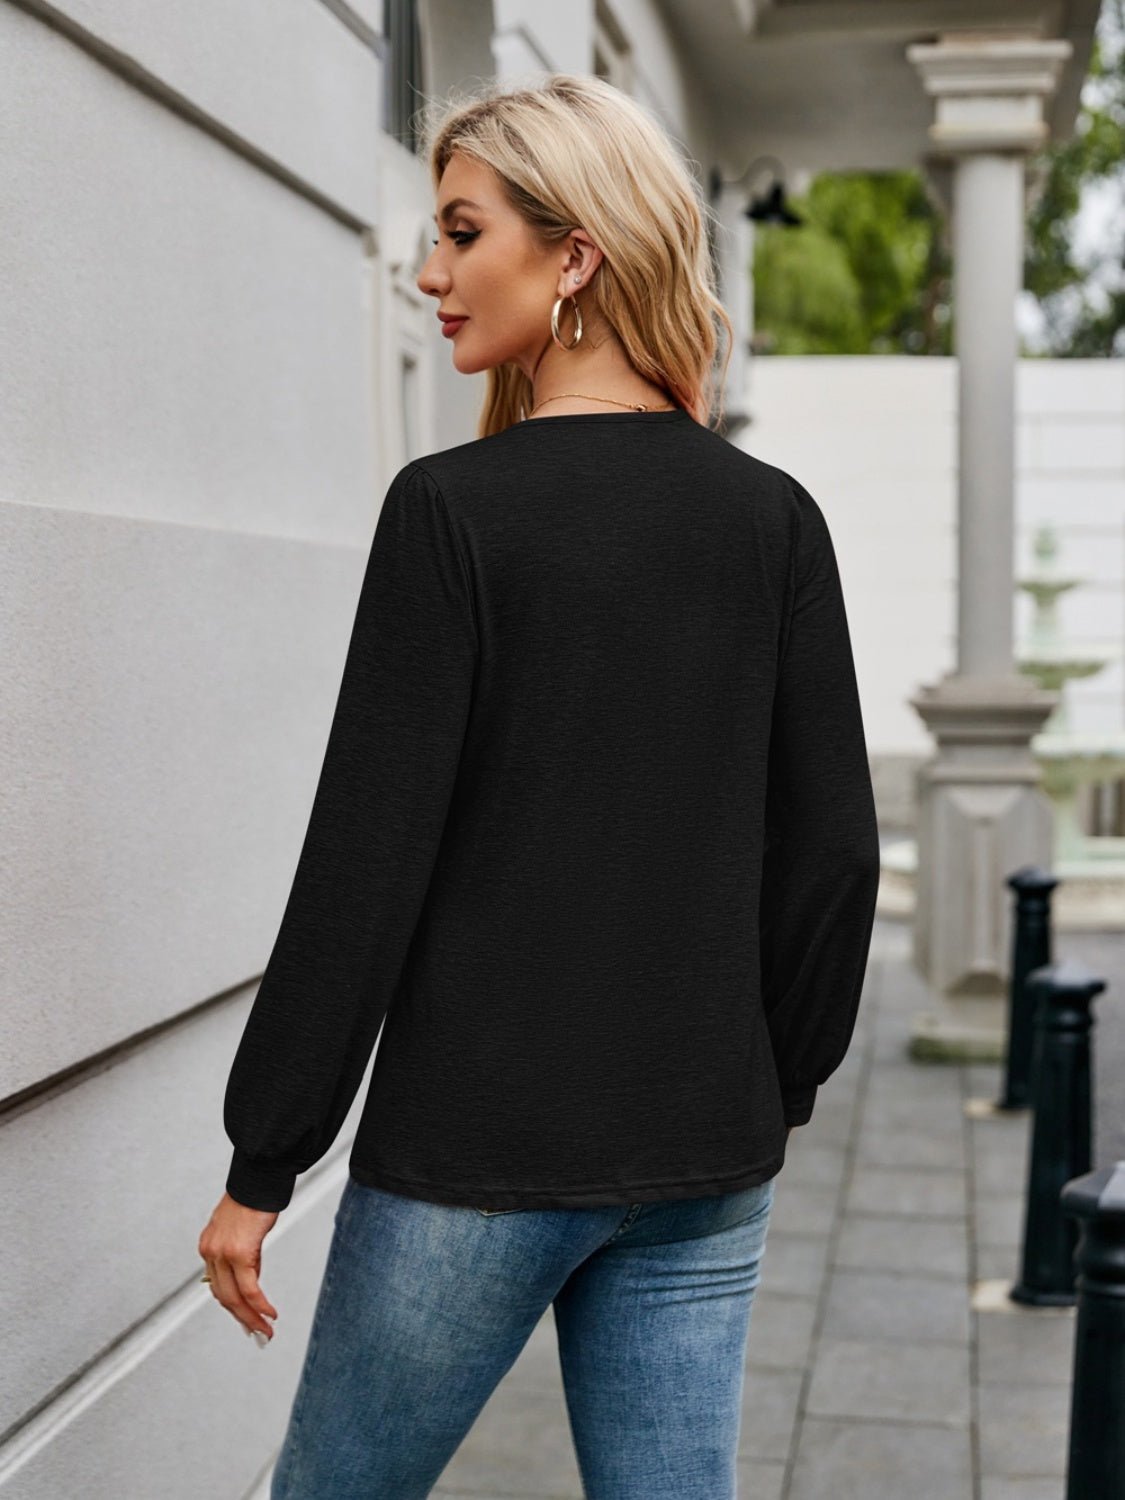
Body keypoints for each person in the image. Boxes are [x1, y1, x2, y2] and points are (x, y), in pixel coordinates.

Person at [197, 72, 881, 1500]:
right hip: (706, 1155)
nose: (428, 274)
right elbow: (831, 854)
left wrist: (266, 1158)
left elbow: (364, 864)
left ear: (574, 256)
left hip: (477, 1153)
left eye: (461, 233)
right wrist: (767, 1086)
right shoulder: (773, 520)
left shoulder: (451, 513)